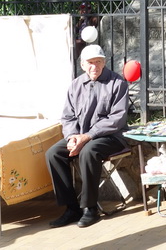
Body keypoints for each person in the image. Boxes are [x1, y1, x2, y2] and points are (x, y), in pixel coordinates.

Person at [46, 44, 129, 228]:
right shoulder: (76, 85)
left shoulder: (118, 83)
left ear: (104, 62)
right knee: (53, 154)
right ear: (83, 65)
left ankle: (90, 208)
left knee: (89, 151)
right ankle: (71, 207)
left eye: (98, 62)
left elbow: (116, 119)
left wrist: (87, 136)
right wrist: (72, 137)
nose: (95, 67)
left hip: (111, 137)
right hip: (81, 135)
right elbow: (68, 117)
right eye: (90, 63)